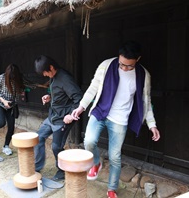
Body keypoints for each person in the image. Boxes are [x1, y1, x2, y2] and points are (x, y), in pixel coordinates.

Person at [71, 41, 161, 198]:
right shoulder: (106, 65)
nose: (124, 68)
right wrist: (81, 107)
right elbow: (93, 88)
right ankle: (96, 162)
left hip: (120, 119)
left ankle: (112, 189)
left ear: (137, 59)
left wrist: (152, 124)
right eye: (122, 64)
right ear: (118, 57)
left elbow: (146, 101)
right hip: (100, 111)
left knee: (115, 157)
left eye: (129, 66)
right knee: (89, 141)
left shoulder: (144, 75)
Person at [33, 55, 83, 181]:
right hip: (53, 115)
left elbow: (79, 99)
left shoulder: (65, 79)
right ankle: (36, 167)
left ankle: (61, 170)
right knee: (38, 138)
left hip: (63, 118)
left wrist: (71, 115)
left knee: (56, 147)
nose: (44, 75)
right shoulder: (53, 77)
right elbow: (58, 94)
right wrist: (49, 97)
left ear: (51, 67)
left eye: (45, 72)